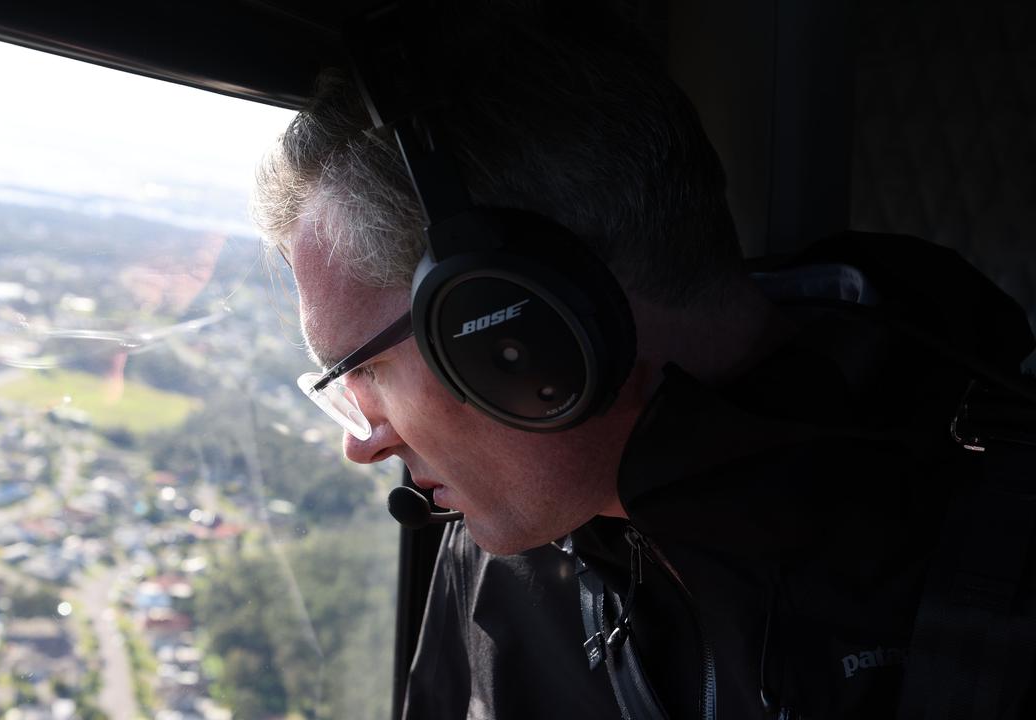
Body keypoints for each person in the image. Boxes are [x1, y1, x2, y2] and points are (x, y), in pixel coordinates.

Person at [254, 2, 1036, 717]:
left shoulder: (997, 552)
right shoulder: (501, 554)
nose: (362, 442)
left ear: (514, 323)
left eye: (365, 370)